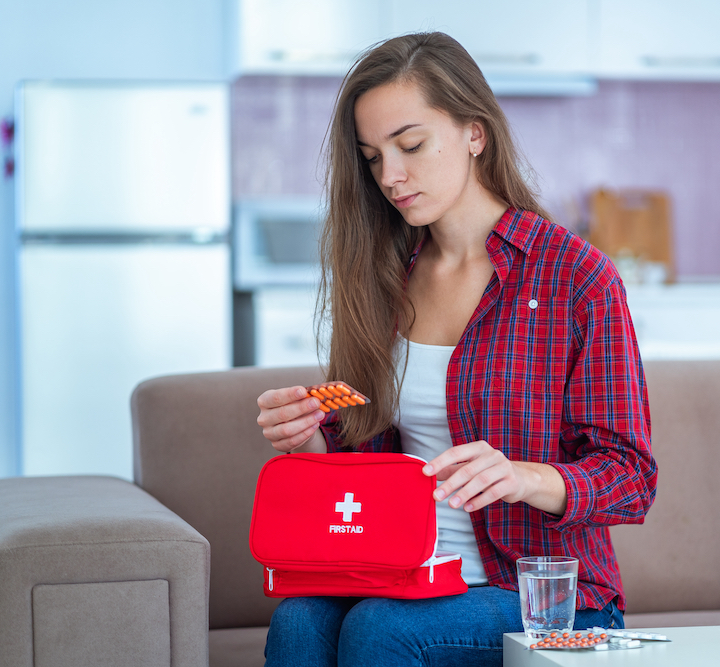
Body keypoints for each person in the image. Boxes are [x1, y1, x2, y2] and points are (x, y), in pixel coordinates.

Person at [255, 31, 656, 667]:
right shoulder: (383, 276)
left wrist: (523, 476)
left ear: (475, 132)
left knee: (383, 631)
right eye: (372, 156)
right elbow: (369, 459)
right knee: (299, 620)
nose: (391, 175)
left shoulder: (575, 277)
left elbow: (630, 477)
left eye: (411, 145)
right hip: (398, 569)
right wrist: (308, 442)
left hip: (540, 595)